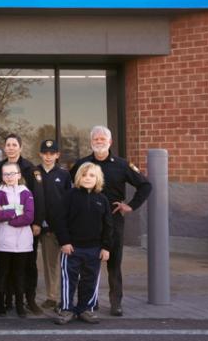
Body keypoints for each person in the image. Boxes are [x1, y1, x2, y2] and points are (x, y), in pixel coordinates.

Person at [70, 126, 152, 317]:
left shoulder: (122, 165)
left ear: (110, 142)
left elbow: (145, 185)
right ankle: (91, 301)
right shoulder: (83, 164)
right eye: (96, 139)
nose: (99, 142)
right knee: (88, 262)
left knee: (114, 262)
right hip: (87, 222)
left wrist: (130, 205)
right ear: (91, 142)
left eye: (102, 139)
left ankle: (116, 302)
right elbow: (70, 186)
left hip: (113, 221)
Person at [0, 134, 46, 315]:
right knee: (6, 268)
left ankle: (29, 300)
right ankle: (7, 300)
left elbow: (37, 197)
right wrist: (11, 213)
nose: (11, 148)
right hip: (5, 232)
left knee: (28, 266)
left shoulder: (30, 168)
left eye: (14, 145)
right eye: (8, 145)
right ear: (4, 148)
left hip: (27, 229)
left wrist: (37, 222)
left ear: (20, 147)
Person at [53, 163, 112, 325]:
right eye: (84, 175)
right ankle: (66, 309)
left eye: (92, 176)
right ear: (79, 177)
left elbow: (108, 225)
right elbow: (60, 220)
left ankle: (85, 309)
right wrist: (64, 242)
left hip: (94, 249)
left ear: (98, 179)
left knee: (90, 280)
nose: (88, 178)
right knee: (69, 280)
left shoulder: (102, 199)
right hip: (72, 248)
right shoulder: (70, 196)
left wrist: (106, 247)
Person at [0, 162, 36, 317]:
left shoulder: (26, 192)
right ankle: (1, 305)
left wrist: (7, 213)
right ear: (2, 176)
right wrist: (17, 210)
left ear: (18, 175)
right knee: (3, 273)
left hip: (23, 242)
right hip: (4, 240)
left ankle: (19, 305)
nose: (9, 177)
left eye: (12, 173)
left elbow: (29, 216)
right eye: (6, 174)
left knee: (19, 274)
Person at [36, 139, 72, 309]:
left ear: (57, 155)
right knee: (51, 264)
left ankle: (68, 297)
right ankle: (52, 296)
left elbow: (70, 200)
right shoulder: (35, 173)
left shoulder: (64, 175)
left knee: (68, 264)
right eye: (45, 153)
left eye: (52, 153)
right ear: (40, 154)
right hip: (45, 227)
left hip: (64, 226)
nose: (48, 157)